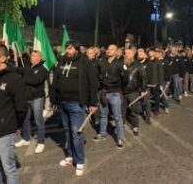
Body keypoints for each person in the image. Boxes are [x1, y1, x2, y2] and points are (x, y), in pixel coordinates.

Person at [51, 40, 98, 176]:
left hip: (76, 103)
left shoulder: (85, 62)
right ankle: (70, 156)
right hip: (62, 102)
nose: (68, 51)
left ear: (76, 50)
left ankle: (80, 161)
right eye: (66, 48)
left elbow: (92, 83)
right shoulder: (61, 61)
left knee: (76, 133)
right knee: (67, 130)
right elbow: (55, 80)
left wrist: (93, 103)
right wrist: (54, 99)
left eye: (70, 48)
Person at [0, 43, 28, 184]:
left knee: (8, 169)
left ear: (3, 58)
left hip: (4, 132)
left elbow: (21, 107)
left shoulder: (14, 78)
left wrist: (17, 125)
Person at [15, 50, 48, 154]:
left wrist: (24, 78)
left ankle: (41, 142)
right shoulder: (28, 67)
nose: (31, 57)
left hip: (36, 98)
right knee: (25, 119)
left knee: (39, 121)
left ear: (39, 58)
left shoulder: (42, 69)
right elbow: (18, 70)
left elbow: (35, 81)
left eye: (34, 56)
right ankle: (26, 139)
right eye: (31, 56)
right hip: (26, 97)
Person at [94, 44, 124, 149]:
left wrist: (114, 84)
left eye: (112, 49)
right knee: (103, 115)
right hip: (103, 93)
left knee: (117, 117)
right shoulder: (101, 62)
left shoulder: (120, 64)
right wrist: (101, 83)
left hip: (115, 93)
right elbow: (97, 75)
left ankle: (119, 138)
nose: (109, 51)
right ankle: (103, 134)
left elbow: (125, 79)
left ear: (116, 52)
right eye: (108, 49)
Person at [122, 46, 147, 136]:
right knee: (122, 108)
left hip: (133, 91)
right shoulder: (121, 63)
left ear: (133, 54)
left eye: (128, 53)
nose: (126, 55)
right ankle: (122, 123)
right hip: (122, 90)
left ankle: (135, 125)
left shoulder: (138, 65)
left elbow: (144, 78)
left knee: (134, 109)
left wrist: (143, 90)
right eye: (125, 53)